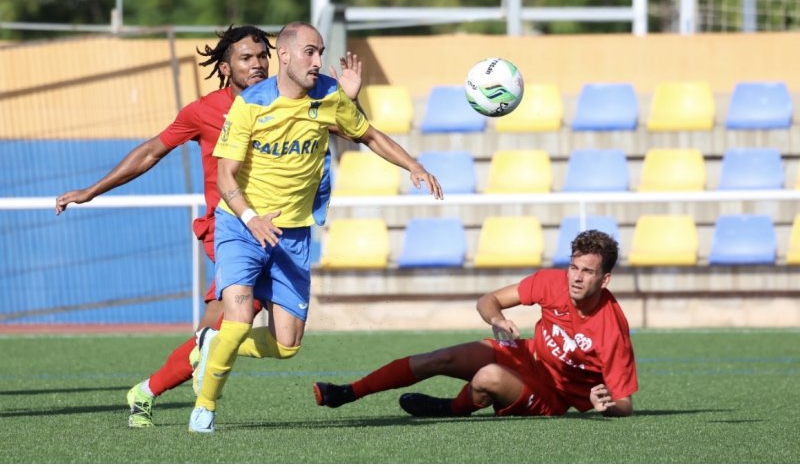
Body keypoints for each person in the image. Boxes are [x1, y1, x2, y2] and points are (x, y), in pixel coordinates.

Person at [54, 24, 364, 428]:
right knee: (238, 314)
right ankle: (182, 395)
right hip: (231, 228)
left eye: (261, 56)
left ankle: (146, 390)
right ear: (224, 67)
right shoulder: (203, 111)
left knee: (230, 331)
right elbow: (151, 152)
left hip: (284, 228)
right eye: (245, 58)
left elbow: (352, 131)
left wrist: (350, 100)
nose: (256, 65)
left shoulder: (292, 98)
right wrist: (91, 190)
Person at [188, 21, 443, 433]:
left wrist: (413, 165)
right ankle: (205, 408)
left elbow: (368, 135)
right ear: (284, 56)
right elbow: (225, 177)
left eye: (321, 51)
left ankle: (212, 345)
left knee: (287, 346)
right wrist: (251, 220)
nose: (318, 60)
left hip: (292, 234)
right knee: (236, 318)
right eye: (310, 51)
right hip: (242, 226)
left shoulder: (328, 95)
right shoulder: (250, 104)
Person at [314, 229, 638, 419]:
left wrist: (606, 407)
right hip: (526, 355)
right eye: (574, 267)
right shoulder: (551, 282)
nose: (577, 278)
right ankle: (347, 392)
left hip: (552, 396)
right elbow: (488, 300)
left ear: (605, 278)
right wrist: (497, 319)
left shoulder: (611, 327)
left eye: (588, 272)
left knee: (488, 377)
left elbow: (624, 403)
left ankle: (453, 408)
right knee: (438, 358)